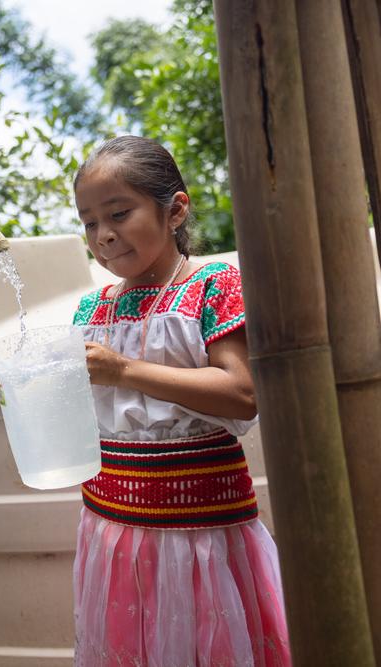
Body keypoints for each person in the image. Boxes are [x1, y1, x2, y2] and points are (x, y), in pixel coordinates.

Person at [70, 135, 291, 666]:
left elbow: (242, 393)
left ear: (175, 210)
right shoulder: (90, 309)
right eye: (89, 221)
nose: (103, 235)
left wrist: (123, 369)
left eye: (119, 213)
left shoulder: (212, 285)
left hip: (200, 533)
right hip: (112, 529)